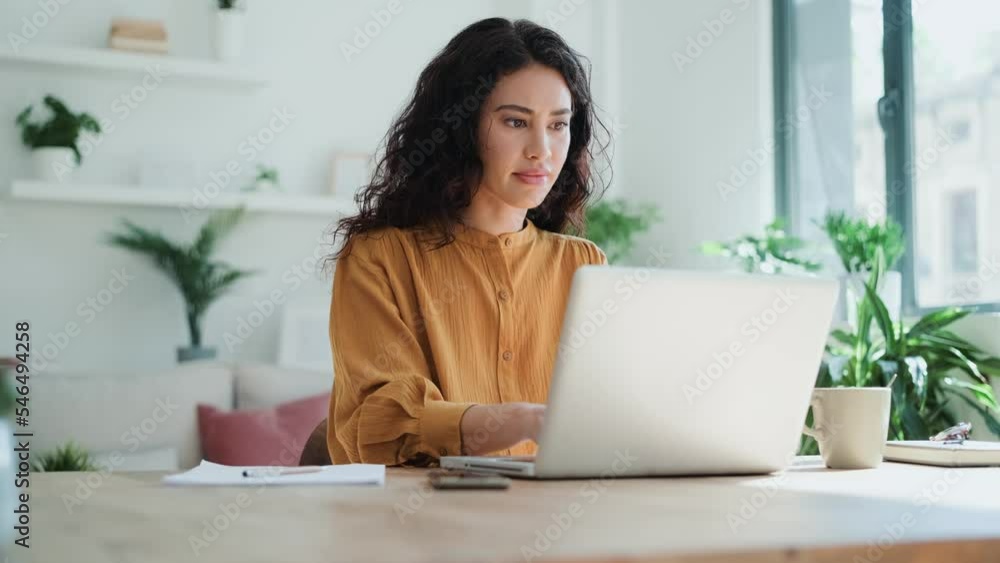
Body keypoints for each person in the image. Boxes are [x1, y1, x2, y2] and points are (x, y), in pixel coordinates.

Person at [325, 17, 611, 466]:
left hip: (558, 520)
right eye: (516, 122)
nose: (542, 149)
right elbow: (376, 422)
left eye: (559, 125)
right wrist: (519, 420)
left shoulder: (584, 265)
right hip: (422, 524)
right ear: (462, 129)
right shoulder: (379, 259)